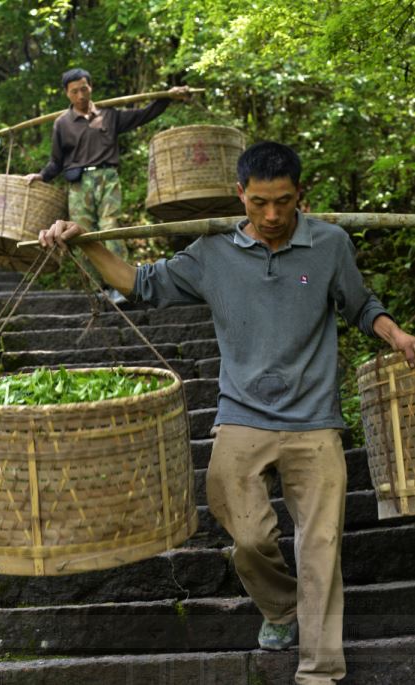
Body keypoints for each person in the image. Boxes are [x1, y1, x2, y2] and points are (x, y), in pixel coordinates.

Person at [39, 141, 415, 685]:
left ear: (299, 195)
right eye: (259, 202)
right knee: (249, 536)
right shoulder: (211, 252)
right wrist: (87, 245)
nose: (271, 216)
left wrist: (396, 334)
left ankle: (320, 671)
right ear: (240, 194)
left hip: (314, 420)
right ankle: (283, 608)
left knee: (321, 544)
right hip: (242, 414)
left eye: (283, 202)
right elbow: (141, 285)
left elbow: (359, 304)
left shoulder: (330, 244)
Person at [26, 67, 191, 262]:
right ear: (67, 93)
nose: (80, 95)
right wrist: (42, 176)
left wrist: (167, 98)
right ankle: (96, 286)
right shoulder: (62, 123)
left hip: (108, 178)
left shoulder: (110, 115)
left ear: (91, 87)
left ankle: (120, 286)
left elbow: (144, 114)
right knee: (79, 234)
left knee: (111, 227)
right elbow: (56, 161)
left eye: (84, 89)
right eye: (74, 91)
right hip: (79, 184)